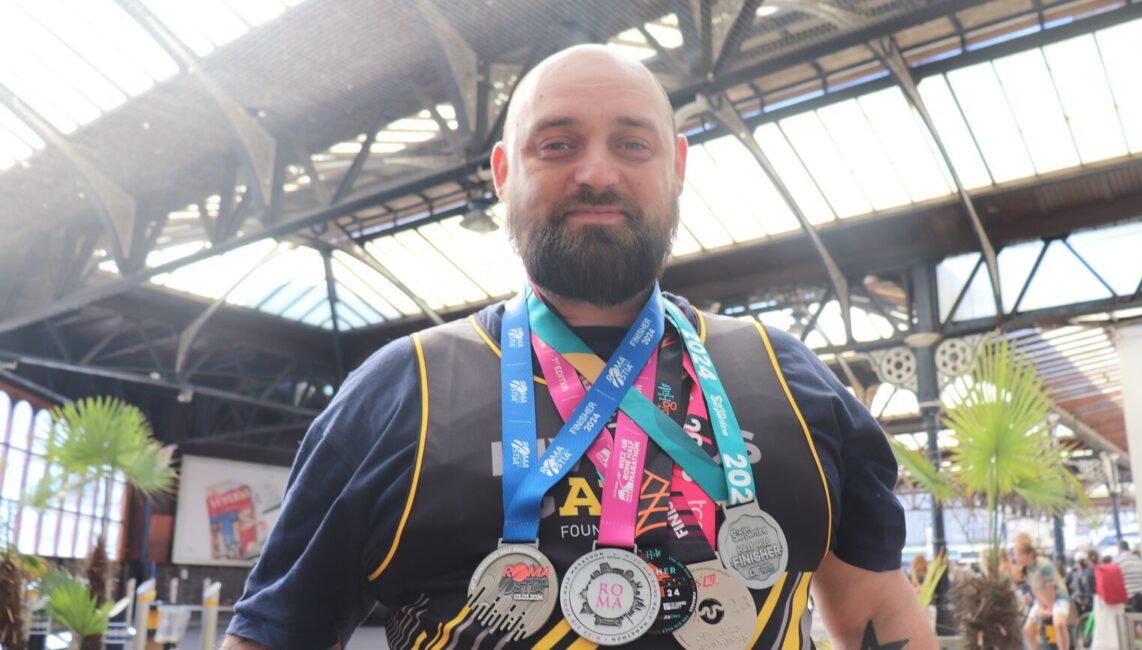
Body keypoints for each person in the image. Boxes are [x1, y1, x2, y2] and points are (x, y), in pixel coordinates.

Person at [219, 45, 933, 650]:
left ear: (677, 167)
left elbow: (877, 607)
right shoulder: (403, 391)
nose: (596, 174)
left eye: (632, 144)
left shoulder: (788, 377)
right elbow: (274, 635)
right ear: (504, 173)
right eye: (558, 144)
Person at [1015, 532, 1071, 649]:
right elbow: (1033, 589)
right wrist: (1042, 607)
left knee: (1059, 623)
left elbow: (1051, 589)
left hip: (1058, 598)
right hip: (1041, 600)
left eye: (1020, 554)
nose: (1017, 557)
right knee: (1028, 629)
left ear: (1029, 554)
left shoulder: (1043, 564)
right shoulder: (1025, 569)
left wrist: (1049, 609)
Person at [1117, 540, 1142, 614]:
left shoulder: (1118, 561)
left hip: (1129, 597)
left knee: (1131, 620)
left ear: (1119, 548)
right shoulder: (1138, 559)